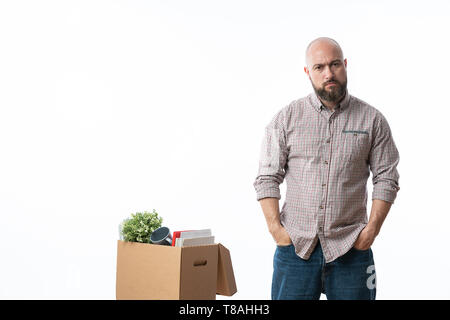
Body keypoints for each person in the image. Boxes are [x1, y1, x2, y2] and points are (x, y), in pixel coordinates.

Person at [253, 37, 400, 300]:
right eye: (319, 67)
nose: (329, 73)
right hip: (295, 249)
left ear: (345, 65)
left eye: (334, 64)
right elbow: (266, 177)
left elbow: (386, 177)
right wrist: (276, 229)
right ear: (308, 72)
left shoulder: (373, 120)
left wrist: (371, 231)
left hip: (352, 249)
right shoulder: (286, 118)